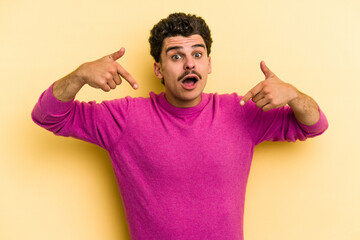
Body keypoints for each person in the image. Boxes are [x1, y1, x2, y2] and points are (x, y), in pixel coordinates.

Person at [32, 12, 328, 240]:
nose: (189, 64)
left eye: (197, 55)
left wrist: (294, 95)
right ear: (158, 69)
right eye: (176, 56)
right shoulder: (124, 118)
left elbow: (314, 125)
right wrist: (80, 75)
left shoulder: (241, 112)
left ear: (208, 64)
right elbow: (47, 116)